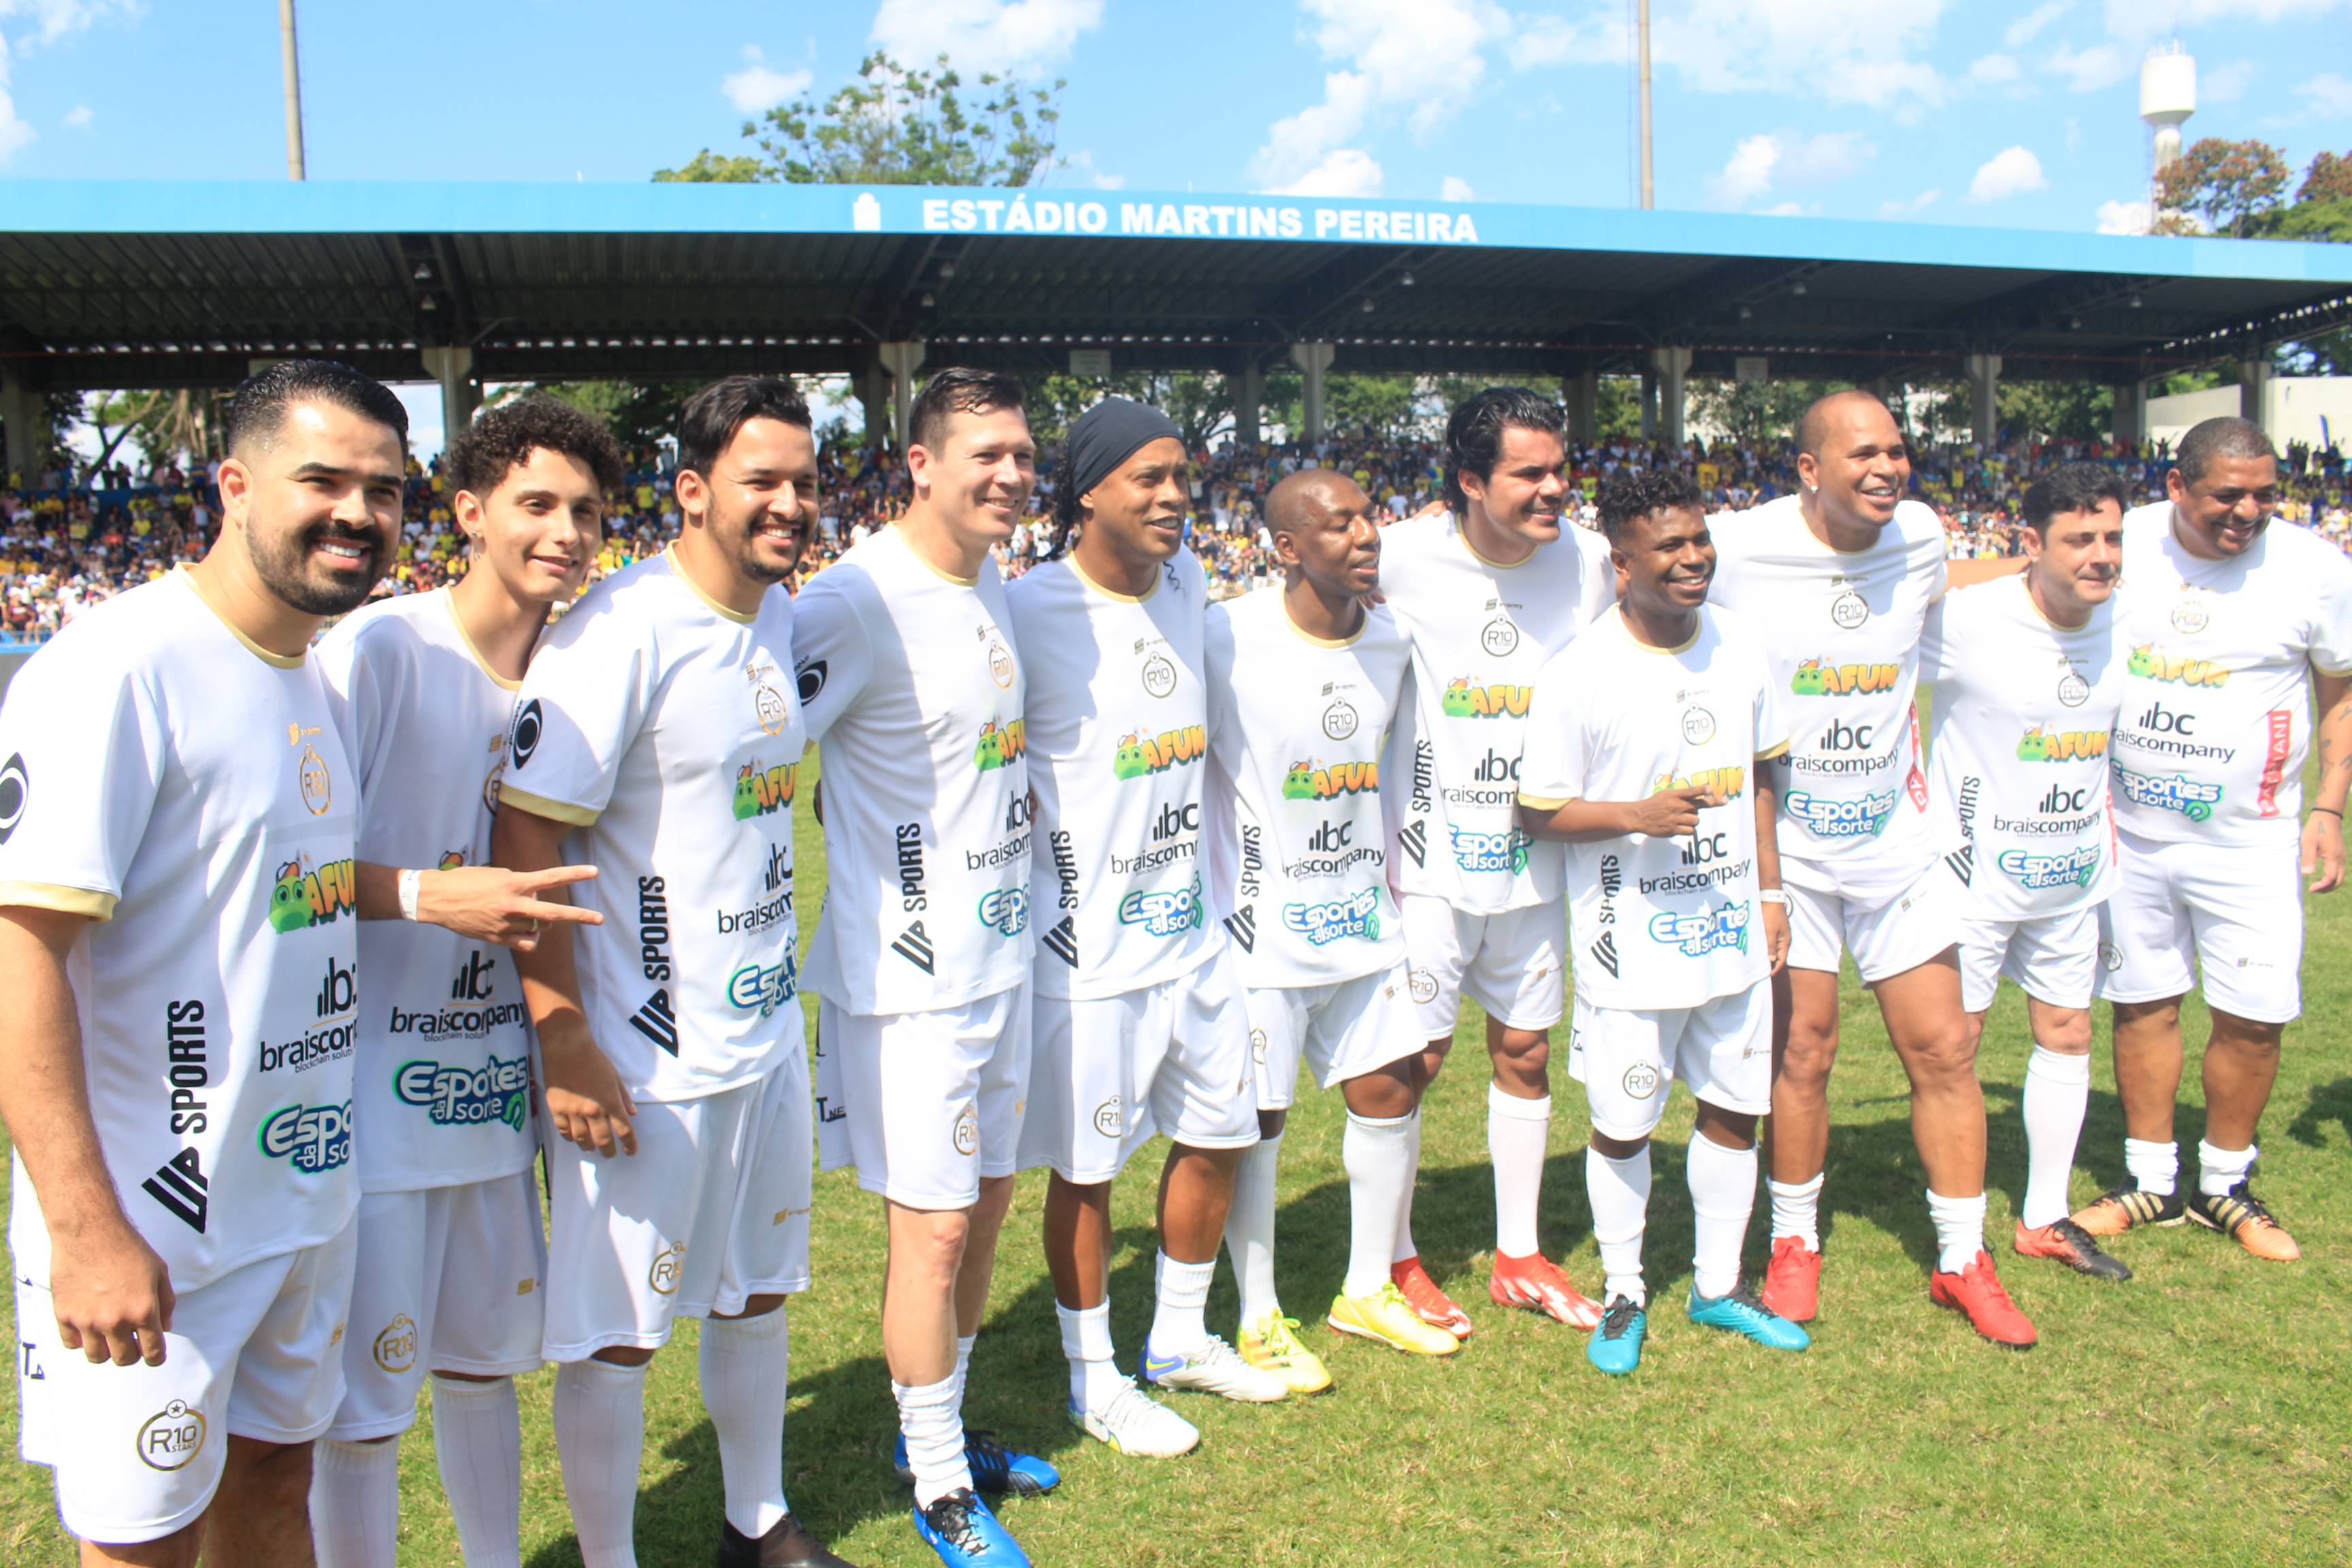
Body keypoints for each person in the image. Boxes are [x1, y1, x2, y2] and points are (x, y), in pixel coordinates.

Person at [0, 359, 401, 1567]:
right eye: (321, 479)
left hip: (298, 1200)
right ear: (234, 483)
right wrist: (86, 1227)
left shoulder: (311, 674)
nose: (358, 513)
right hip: (157, 1224)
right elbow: (20, 950)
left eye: (384, 491)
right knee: (141, 1542)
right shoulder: (116, 666)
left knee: (278, 1480)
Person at [492, 376, 849, 1568]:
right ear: (694, 490)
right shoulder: (620, 630)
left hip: (764, 1028)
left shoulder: (782, 615)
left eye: (802, 479)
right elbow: (526, 833)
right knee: (622, 1328)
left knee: (756, 1286)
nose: (790, 502)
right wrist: (566, 1037)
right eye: (763, 480)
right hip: (645, 1053)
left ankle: (757, 1520)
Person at [308, 399, 623, 1568]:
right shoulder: (384, 651)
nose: (566, 532)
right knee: (366, 1406)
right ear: (470, 513)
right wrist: (431, 896)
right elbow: (284, 867)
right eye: (538, 503)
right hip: (372, 1105)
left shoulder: (583, 667)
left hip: (495, 1096)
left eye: (586, 510)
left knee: (486, 1362)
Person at [1709, 389, 2034, 1347]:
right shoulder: (1739, 542)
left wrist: (2058, 563)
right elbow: (1628, 575)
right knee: (1801, 1051)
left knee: (1945, 1050)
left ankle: (1963, 1258)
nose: (1888, 467)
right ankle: (1794, 1242)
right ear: (1809, 469)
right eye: (1863, 455)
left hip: (1899, 847)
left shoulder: (1925, 535)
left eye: (1898, 450)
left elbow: (1966, 577)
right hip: (1790, 857)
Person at [795, 369, 1051, 1568]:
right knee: (933, 1232)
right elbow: (755, 742)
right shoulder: (851, 602)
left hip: (1003, 958)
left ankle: (940, 1436)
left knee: (990, 1200)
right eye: (986, 453)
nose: (1009, 473)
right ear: (919, 462)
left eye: (1021, 453)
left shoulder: (991, 571)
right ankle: (941, 1482)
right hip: (909, 979)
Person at [1007, 398, 1286, 1460]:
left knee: (1218, 1132)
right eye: (1148, 479)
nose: (1175, 497)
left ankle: (1176, 1338)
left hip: (1194, 932)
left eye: (1182, 477)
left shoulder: (1188, 582)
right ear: (1087, 493)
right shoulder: (1028, 607)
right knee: (1088, 1170)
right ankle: (1093, 1377)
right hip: (1086, 950)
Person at [1517, 468, 1808, 1375]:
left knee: (1733, 1110)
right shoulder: (1579, 672)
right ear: (1622, 564)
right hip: (1627, 942)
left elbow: (1761, 775)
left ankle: (1718, 1287)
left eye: (1699, 540)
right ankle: (1625, 1289)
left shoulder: (1742, 644)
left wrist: (1770, 894)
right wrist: (1635, 817)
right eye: (1670, 547)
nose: (1692, 560)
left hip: (1729, 928)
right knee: (1624, 1123)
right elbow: (1536, 812)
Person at [2078, 416, 2352, 1260]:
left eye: (2266, 493)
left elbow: (2340, 691)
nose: (2249, 511)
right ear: (2176, 488)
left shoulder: (2314, 568)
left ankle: (2225, 1185)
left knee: (2256, 1015)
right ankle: (2152, 1181)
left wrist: (2329, 809)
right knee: (2144, 1004)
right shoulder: (2125, 546)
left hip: (2253, 841)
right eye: (2227, 496)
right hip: (2134, 835)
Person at [1206, 468, 1456, 1384]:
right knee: (1256, 1121)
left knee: (1391, 1089)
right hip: (1260, 933)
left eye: (1370, 519)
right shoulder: (1224, 637)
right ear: (1285, 548)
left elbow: (1407, 775)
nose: (1365, 536)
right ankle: (1260, 1312)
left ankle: (1364, 1290)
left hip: (1363, 918)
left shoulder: (1393, 640)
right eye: (1338, 524)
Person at [1377, 387, 1616, 1335]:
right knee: (1412, 1061)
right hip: (1431, 862)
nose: (1554, 489)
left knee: (1524, 1049)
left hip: (1541, 860)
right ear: (1470, 480)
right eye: (1530, 474)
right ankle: (1393, 1257)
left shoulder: (1591, 561)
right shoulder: (1402, 556)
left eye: (1561, 469)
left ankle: (1517, 1252)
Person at [1918, 463, 2133, 1283]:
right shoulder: (1971, 621)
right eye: (2081, 540)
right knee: (1957, 1047)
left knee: (2069, 1033)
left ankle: (2044, 1217)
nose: (2102, 556)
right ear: (2033, 544)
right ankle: (1958, 1229)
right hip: (1969, 878)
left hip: (2073, 878)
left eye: (2112, 537)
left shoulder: (2127, 620)